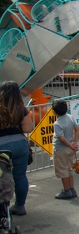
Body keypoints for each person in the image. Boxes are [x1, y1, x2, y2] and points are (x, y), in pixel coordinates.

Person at [0, 81, 34, 215]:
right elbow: (28, 128)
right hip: (19, 145)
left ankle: (3, 206)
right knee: (20, 177)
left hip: (1, 147)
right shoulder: (21, 109)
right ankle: (20, 205)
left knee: (2, 176)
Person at [52, 100, 79, 200]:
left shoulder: (57, 124)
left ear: (54, 112)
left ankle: (66, 190)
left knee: (63, 170)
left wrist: (69, 144)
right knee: (69, 169)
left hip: (61, 149)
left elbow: (61, 138)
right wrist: (74, 142)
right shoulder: (70, 117)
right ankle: (72, 189)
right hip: (70, 149)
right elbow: (77, 129)